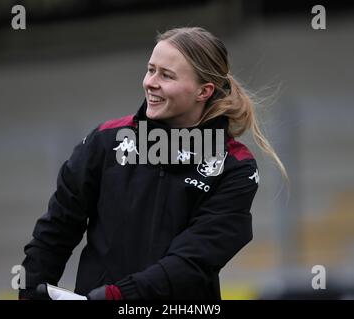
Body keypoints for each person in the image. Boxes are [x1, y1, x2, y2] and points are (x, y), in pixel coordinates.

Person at [19, 26, 287, 300]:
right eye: (150, 70)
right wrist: (29, 291)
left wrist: (119, 296)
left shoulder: (235, 166)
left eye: (167, 75)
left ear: (204, 91)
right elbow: (56, 230)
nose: (150, 82)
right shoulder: (105, 141)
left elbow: (192, 261)